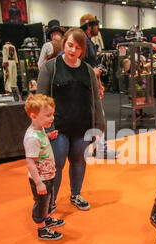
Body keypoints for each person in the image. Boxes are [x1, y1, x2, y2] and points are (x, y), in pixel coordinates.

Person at [37, 27, 106, 211]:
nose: (72, 50)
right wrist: (47, 127)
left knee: (79, 161)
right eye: (69, 45)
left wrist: (99, 126)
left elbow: (95, 101)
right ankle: (51, 201)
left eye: (77, 47)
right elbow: (41, 100)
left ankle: (76, 195)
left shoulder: (88, 71)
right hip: (57, 127)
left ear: (82, 50)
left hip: (82, 127)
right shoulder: (50, 68)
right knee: (57, 163)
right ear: (64, 44)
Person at [23, 93, 65, 241]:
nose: (52, 118)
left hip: (48, 175)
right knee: (41, 203)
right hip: (41, 179)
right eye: (48, 115)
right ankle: (42, 228)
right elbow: (30, 162)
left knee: (48, 200)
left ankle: (46, 218)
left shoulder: (40, 130)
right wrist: (38, 182)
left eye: (52, 114)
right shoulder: (32, 138)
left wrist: (49, 136)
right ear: (34, 117)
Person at [80, 13, 119, 159]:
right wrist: (92, 71)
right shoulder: (83, 41)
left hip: (89, 84)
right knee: (97, 117)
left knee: (96, 117)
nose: (98, 27)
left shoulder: (88, 41)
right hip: (86, 85)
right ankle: (99, 149)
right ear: (89, 26)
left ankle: (99, 148)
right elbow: (79, 64)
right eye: (96, 24)